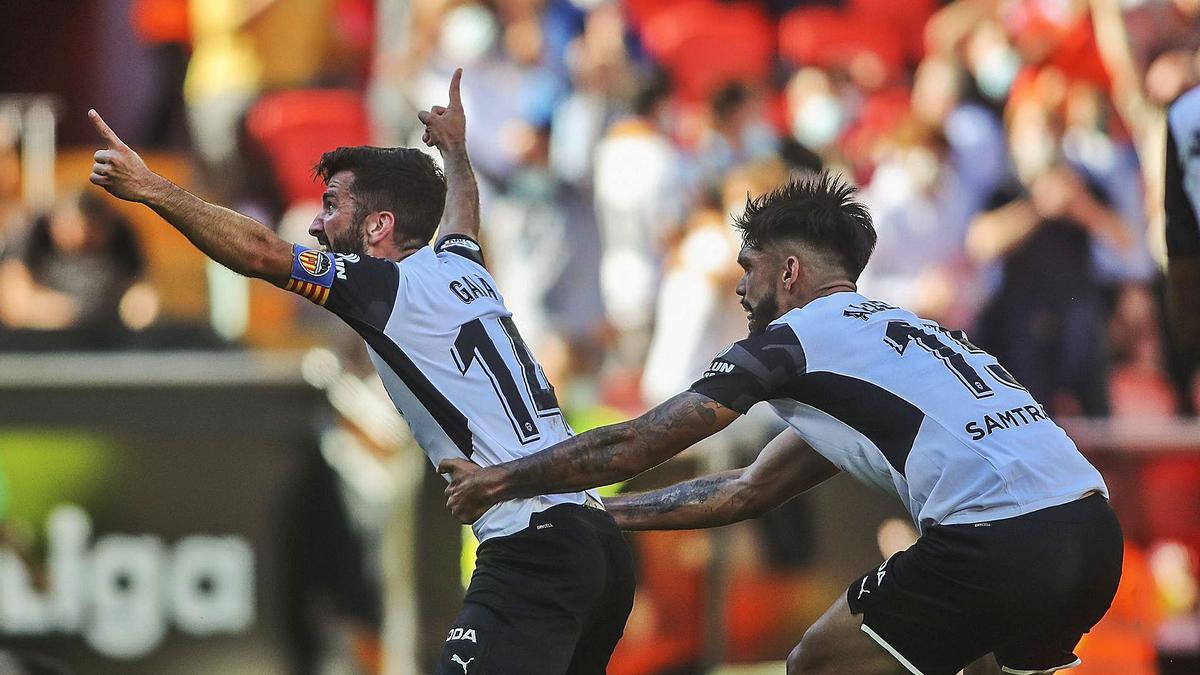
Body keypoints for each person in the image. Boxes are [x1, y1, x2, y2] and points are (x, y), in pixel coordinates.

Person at [441, 173, 1123, 675]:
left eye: (749, 268)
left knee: (817, 663)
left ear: (789, 270)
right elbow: (747, 488)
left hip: (999, 540)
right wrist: (599, 516)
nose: (741, 288)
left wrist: (505, 481)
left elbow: (641, 439)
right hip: (1092, 532)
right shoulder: (895, 334)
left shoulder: (798, 337)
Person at [87, 69, 635, 675]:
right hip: (596, 542)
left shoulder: (386, 288)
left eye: (332, 206)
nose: (318, 225)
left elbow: (265, 255)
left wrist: (154, 190)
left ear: (379, 227)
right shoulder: (462, 267)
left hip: (532, 547)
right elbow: (461, 217)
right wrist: (455, 151)